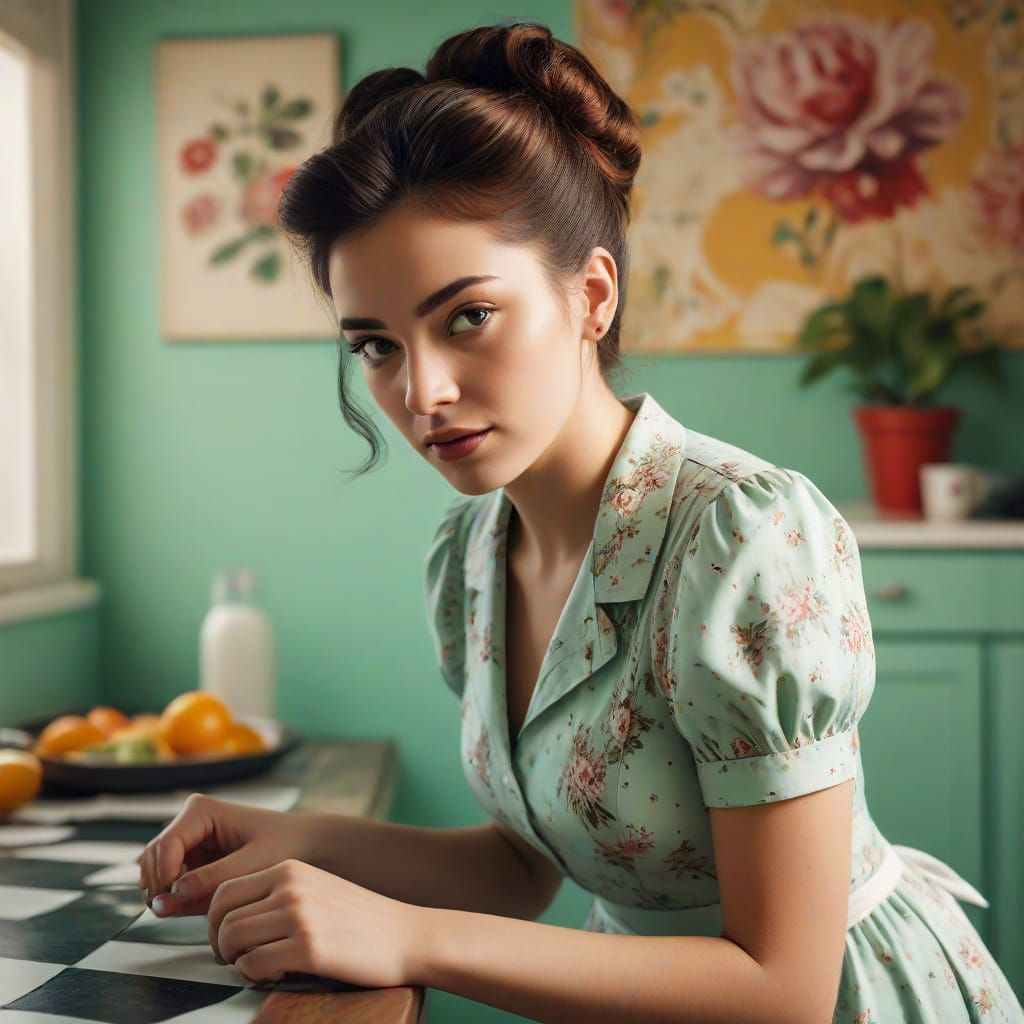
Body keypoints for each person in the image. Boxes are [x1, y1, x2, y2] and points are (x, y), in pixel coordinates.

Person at [137, 20, 1024, 1023]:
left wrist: (408, 936)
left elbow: (785, 991)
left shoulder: (738, 538)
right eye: (376, 345)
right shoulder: (471, 557)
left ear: (591, 295)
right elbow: (529, 862)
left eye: (466, 315)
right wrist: (299, 837)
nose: (422, 390)